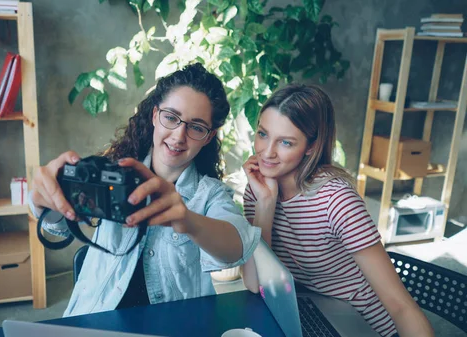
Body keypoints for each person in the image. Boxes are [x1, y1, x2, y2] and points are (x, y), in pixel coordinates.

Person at [29, 63, 261, 317]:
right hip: (94, 321)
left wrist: (188, 220)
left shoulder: (211, 195)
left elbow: (237, 246)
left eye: (196, 127)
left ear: (208, 137)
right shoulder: (113, 171)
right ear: (154, 116)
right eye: (171, 117)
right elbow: (57, 225)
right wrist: (45, 202)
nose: (178, 136)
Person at [240, 84, 434, 337]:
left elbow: (401, 306)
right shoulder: (257, 188)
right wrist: (265, 203)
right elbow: (255, 283)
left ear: (311, 147)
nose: (266, 152)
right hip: (314, 313)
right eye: (263, 134)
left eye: (285, 142)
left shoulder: (337, 200)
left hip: (366, 325)